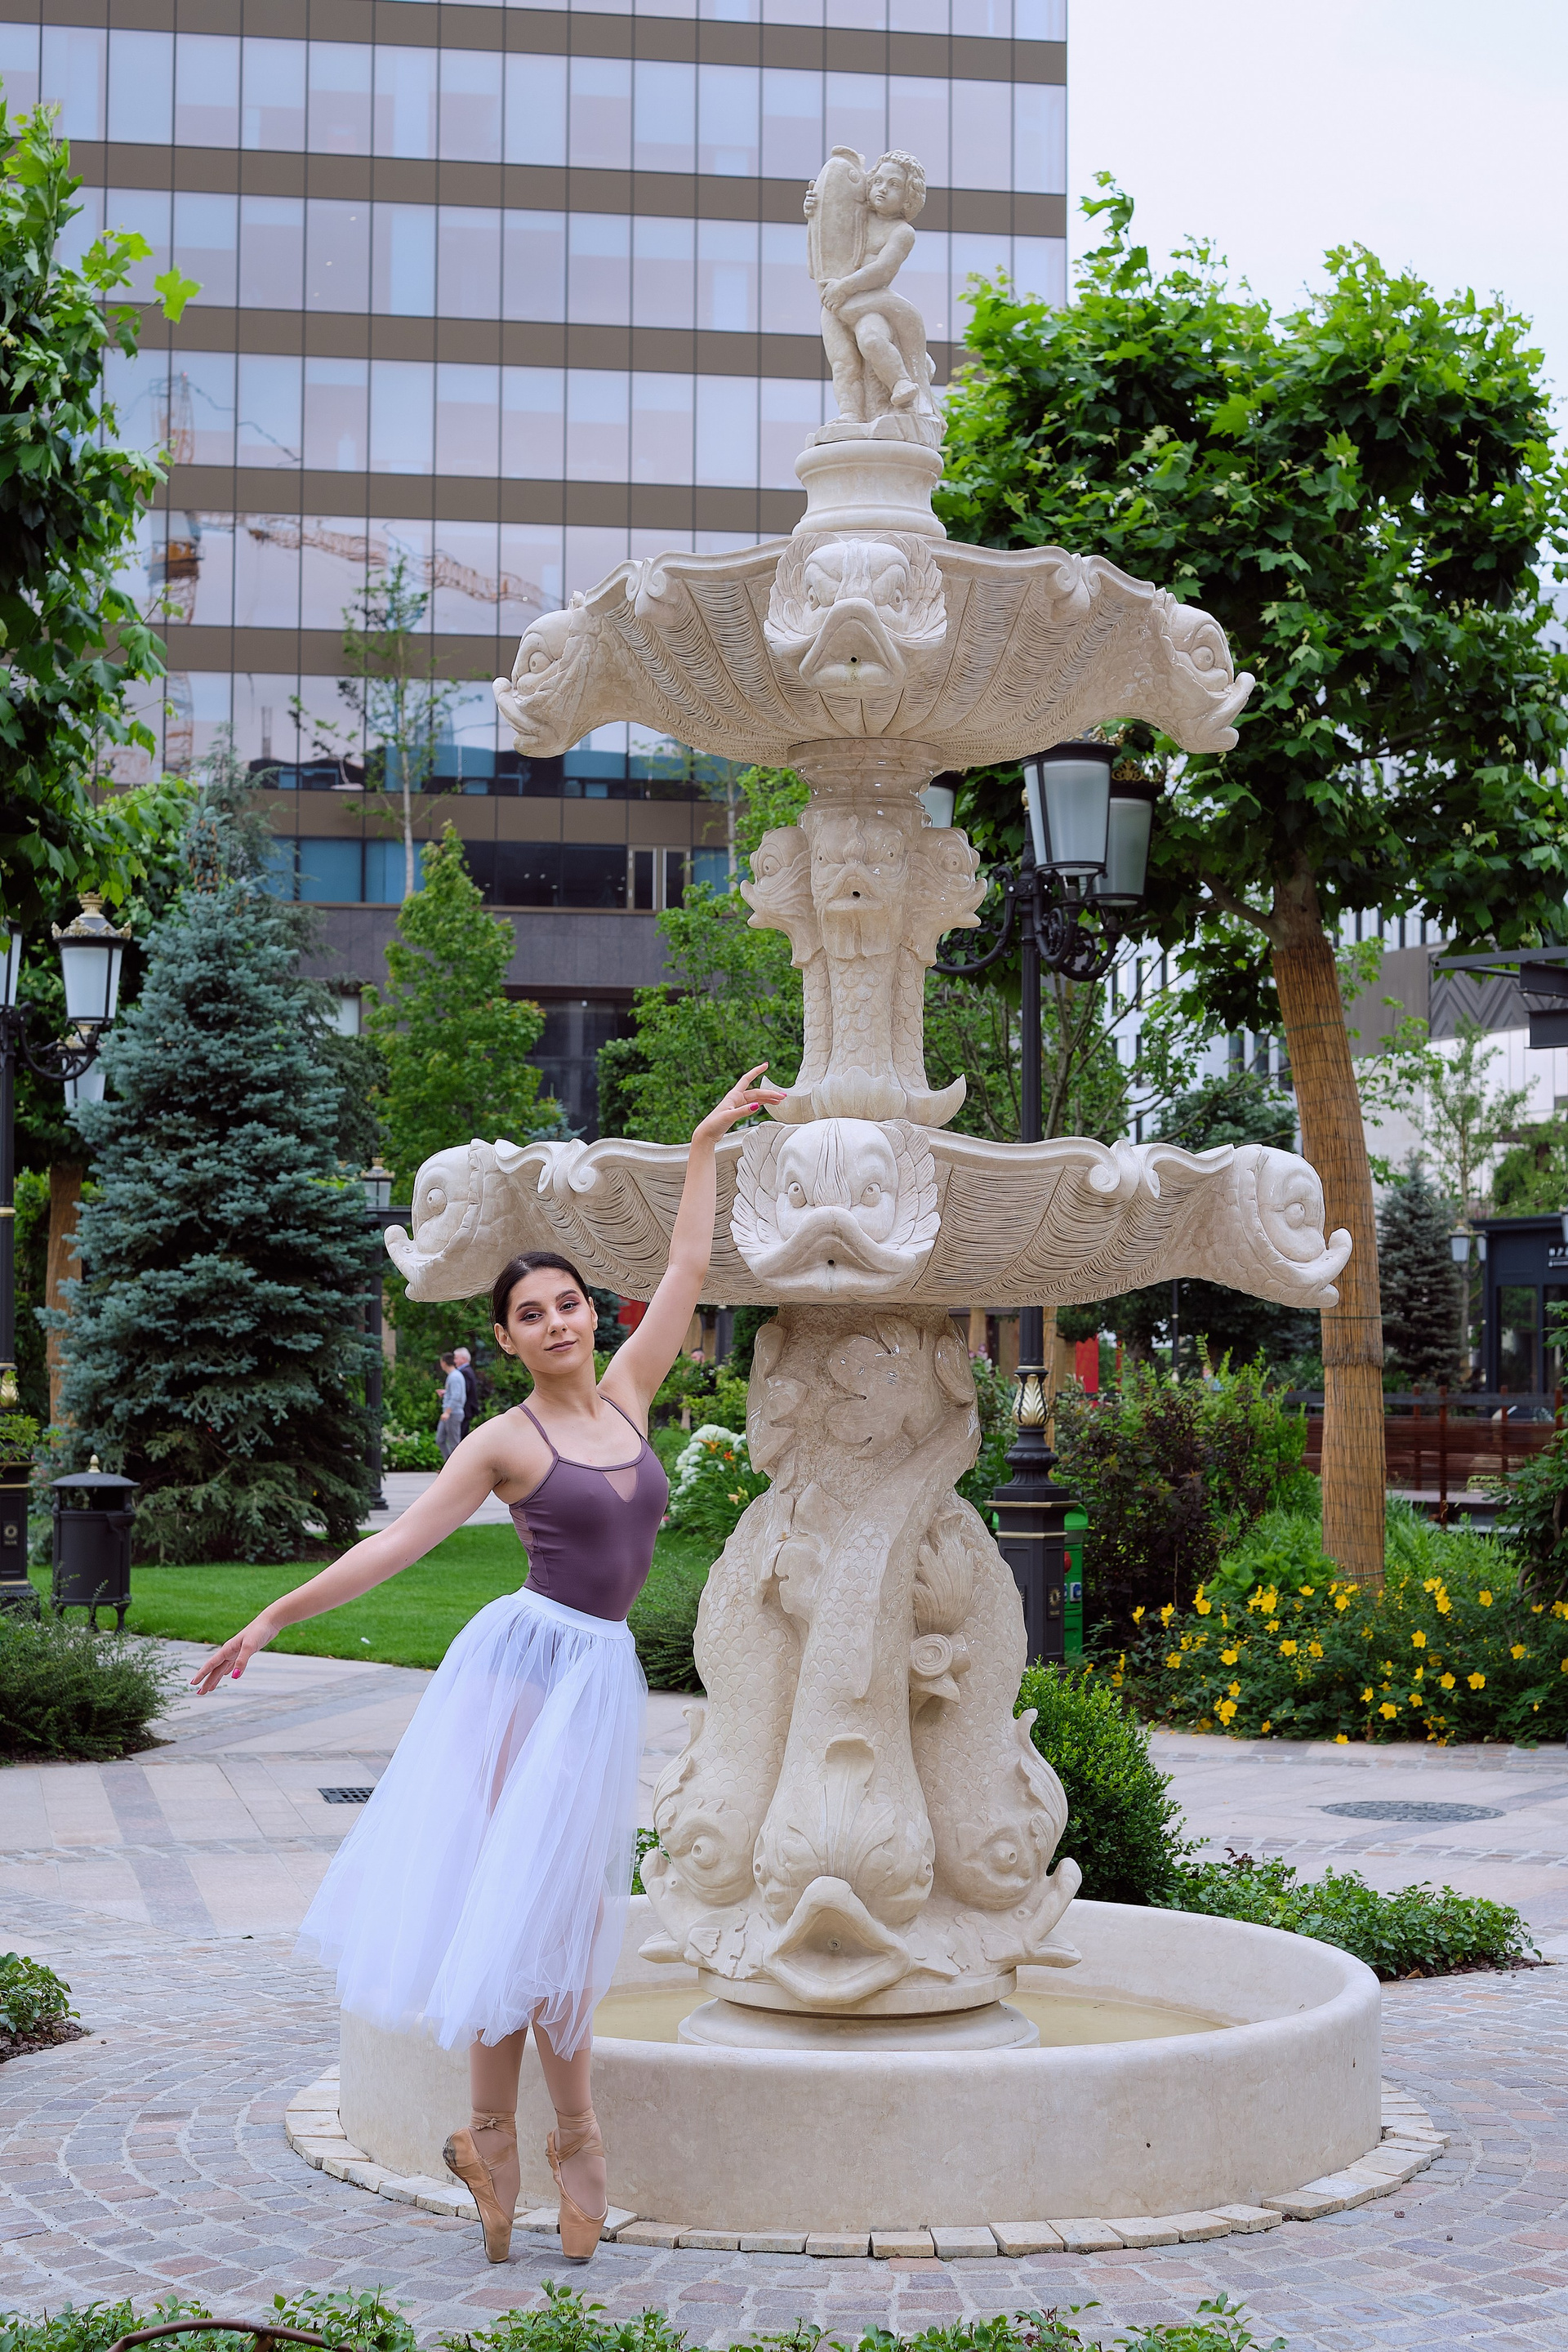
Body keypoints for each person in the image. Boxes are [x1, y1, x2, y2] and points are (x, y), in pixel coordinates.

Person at [189, 1065, 784, 2266]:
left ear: (591, 1317)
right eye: (532, 1314)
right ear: (506, 1340)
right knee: (528, 1912)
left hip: (596, 1678)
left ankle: (510, 2141)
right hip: (525, 1678)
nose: (558, 1322)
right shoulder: (506, 1442)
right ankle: (548, 2143)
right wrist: (273, 1618)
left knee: (555, 1915)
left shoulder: (631, 1394)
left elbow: (686, 1268)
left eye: (569, 1304)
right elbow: (396, 1546)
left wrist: (703, 1144)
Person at [436, 1350, 466, 1459]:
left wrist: (447, 1412)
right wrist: (446, 1392)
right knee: (440, 1439)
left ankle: (458, 1466)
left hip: (453, 1414)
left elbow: (457, 1396)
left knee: (454, 1444)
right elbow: (455, 1393)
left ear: (444, 1362)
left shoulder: (455, 1377)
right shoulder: (453, 1376)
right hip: (449, 1413)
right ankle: (448, 1464)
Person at [455, 1345, 481, 1430]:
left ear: (463, 1359)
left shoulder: (465, 1372)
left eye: (456, 1358)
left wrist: (450, 1393)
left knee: (460, 1435)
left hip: (465, 1409)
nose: (454, 1361)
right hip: (466, 1410)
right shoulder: (468, 1370)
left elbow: (464, 1390)